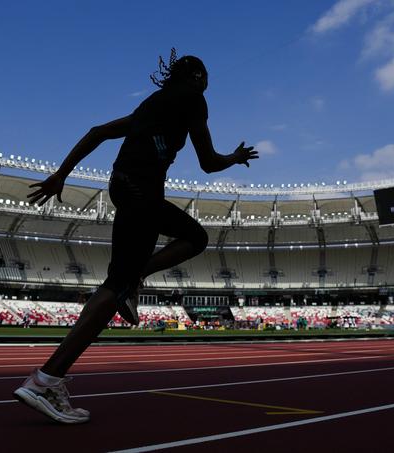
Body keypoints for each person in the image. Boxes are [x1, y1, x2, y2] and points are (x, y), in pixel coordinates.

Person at [13, 49, 258, 424]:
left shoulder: (151, 104)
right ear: (196, 76)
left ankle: (128, 284)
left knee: (130, 274)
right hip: (142, 193)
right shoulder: (194, 98)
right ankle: (46, 378)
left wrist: (61, 174)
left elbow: (97, 133)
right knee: (189, 242)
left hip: (123, 188)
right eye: (206, 77)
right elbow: (208, 163)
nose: (208, 84)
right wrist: (234, 157)